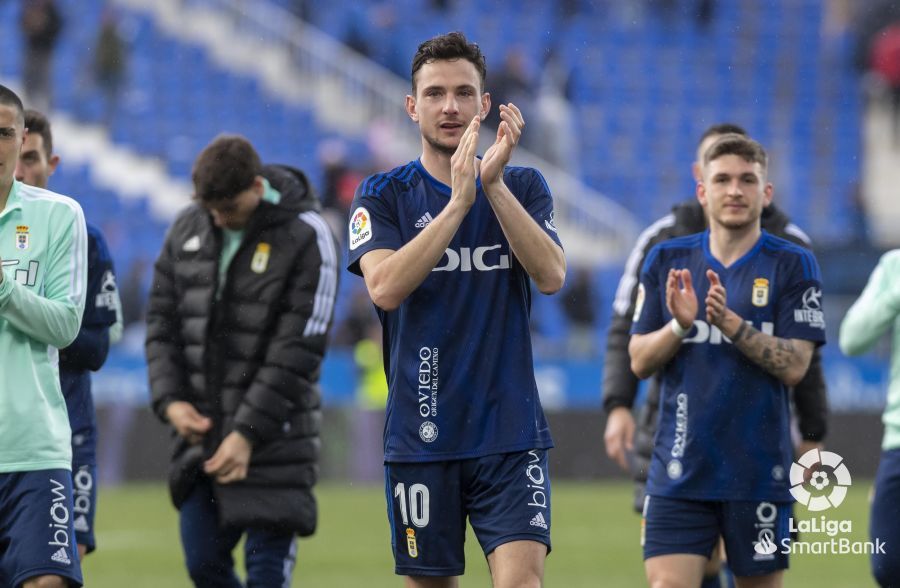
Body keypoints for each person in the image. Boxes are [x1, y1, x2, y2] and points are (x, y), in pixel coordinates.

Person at [347, 31, 566, 587]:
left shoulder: (523, 185)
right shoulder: (383, 194)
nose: (451, 107)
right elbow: (386, 288)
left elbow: (551, 275)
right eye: (436, 93)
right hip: (422, 437)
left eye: (464, 93)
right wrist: (458, 204)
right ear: (411, 106)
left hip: (509, 434)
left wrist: (491, 188)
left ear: (485, 104)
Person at [628, 134, 826, 587]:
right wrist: (680, 326)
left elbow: (796, 366)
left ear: (766, 193)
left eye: (747, 180)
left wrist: (731, 323)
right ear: (703, 191)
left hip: (760, 474)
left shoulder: (793, 265)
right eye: (722, 180)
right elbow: (638, 360)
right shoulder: (668, 259)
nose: (735, 190)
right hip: (680, 471)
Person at [145, 135, 337, 587]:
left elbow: (298, 350)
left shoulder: (308, 235)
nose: (217, 218)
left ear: (256, 186)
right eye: (209, 208)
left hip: (276, 444)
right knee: (203, 567)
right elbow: (161, 324)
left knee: (266, 576)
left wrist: (247, 434)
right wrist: (170, 402)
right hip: (202, 444)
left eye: (227, 208)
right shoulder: (188, 227)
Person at [16, 108, 122, 561]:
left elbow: (96, 348)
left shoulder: (83, 237)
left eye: (31, 159)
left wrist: (30, 318)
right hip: (10, 430)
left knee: (62, 563)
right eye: (12, 157)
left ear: (51, 164)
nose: (20, 170)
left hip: (66, 430)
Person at [0, 84, 86, 588]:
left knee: (47, 582)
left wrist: (4, 291)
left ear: (21, 137)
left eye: (4, 133)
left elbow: (65, 326)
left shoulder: (59, 215)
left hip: (33, 449)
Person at [839, 251, 900, 587]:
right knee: (888, 566)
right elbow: (851, 340)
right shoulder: (895, 265)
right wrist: (895, 294)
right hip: (898, 442)